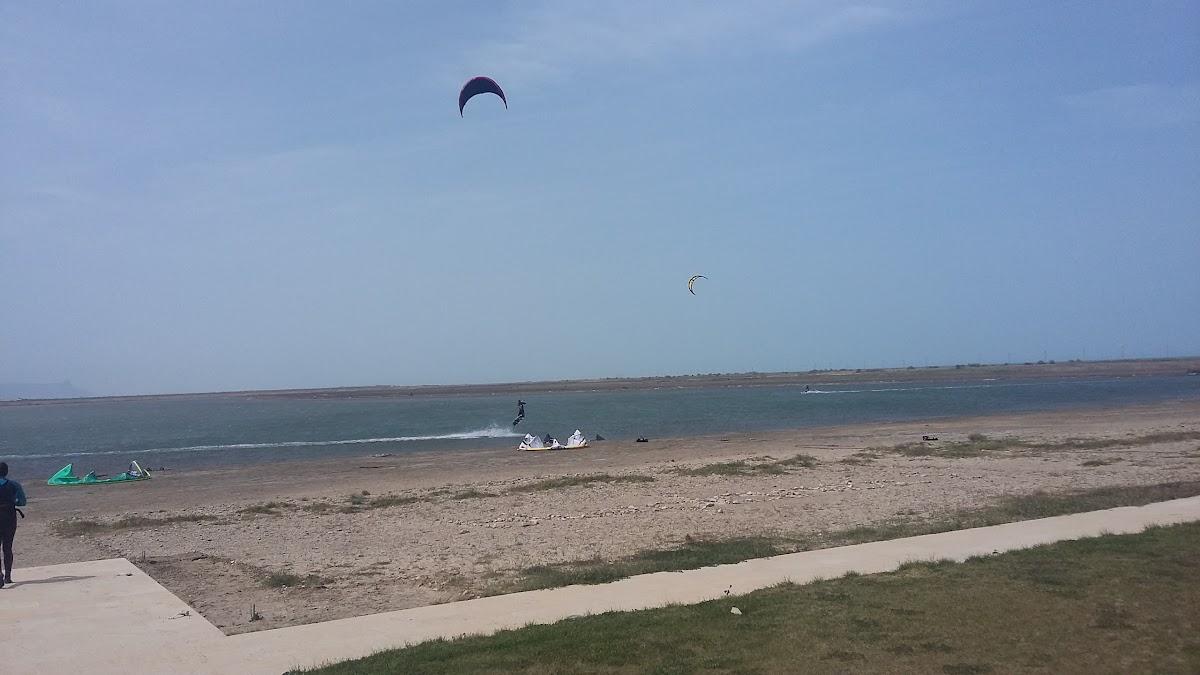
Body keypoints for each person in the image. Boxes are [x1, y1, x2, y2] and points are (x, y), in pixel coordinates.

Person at [0, 462, 27, 589]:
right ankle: (8, 576)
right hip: (9, 518)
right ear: (6, 472)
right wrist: (13, 501)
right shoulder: (14, 485)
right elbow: (22, 502)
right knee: (7, 547)